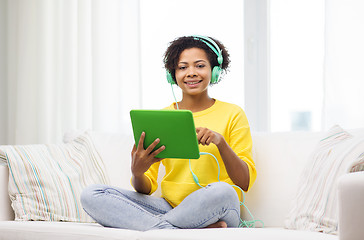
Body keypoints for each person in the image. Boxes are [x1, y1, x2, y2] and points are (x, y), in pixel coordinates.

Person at [81, 35, 257, 231]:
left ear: (215, 71)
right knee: (92, 194)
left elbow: (244, 181)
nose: (191, 73)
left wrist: (220, 142)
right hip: (170, 208)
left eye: (199, 66)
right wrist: (137, 172)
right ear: (172, 75)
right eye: (182, 67)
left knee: (222, 191)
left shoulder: (233, 114)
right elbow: (145, 188)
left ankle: (162, 227)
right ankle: (176, 229)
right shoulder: (161, 117)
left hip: (220, 206)